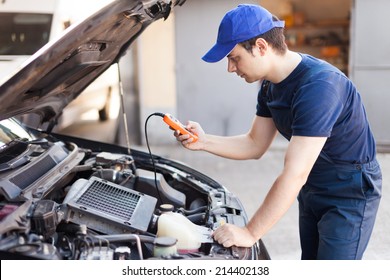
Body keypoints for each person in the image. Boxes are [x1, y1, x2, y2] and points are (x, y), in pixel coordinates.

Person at [173, 4, 382, 260]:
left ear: (261, 47)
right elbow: (254, 143)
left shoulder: (319, 87)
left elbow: (295, 173)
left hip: (348, 191)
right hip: (313, 184)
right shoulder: (270, 86)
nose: (230, 68)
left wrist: (250, 232)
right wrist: (204, 141)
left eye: (234, 57)